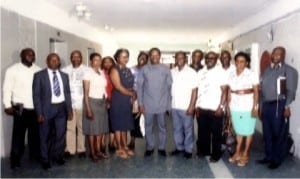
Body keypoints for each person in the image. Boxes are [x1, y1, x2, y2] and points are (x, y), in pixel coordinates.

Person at [258, 46, 298, 169]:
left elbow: (291, 91)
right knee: (267, 134)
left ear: (283, 56)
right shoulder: (267, 70)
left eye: (278, 54)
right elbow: (261, 89)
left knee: (279, 134)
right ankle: (269, 156)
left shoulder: (289, 70)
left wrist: (287, 107)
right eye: (274, 54)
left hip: (279, 105)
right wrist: (260, 107)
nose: (275, 56)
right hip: (266, 106)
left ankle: (277, 159)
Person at [32, 53, 73, 170]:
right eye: (52, 60)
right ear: (47, 61)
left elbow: (67, 93)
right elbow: (36, 96)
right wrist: (39, 113)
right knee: (45, 136)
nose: (55, 62)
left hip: (61, 109)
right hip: (46, 109)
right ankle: (45, 159)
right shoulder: (39, 75)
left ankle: (58, 156)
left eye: (57, 60)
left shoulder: (64, 76)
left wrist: (69, 110)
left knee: (60, 134)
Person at [3, 48, 41, 169]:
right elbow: (7, 88)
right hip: (20, 108)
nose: (31, 56)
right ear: (21, 56)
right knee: (18, 136)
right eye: (28, 54)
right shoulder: (12, 70)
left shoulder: (38, 70)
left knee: (34, 135)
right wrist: (7, 105)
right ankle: (15, 160)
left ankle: (34, 155)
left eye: (33, 54)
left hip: (35, 108)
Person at [137, 47, 172, 157]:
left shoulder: (166, 69)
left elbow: (169, 88)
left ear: (160, 56)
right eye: (152, 55)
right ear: (149, 57)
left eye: (156, 55)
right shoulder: (144, 69)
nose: (154, 57)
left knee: (162, 127)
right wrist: (140, 104)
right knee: (148, 127)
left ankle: (161, 148)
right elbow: (139, 87)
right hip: (148, 105)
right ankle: (149, 147)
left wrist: (168, 105)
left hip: (162, 104)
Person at [227, 52, 259, 167]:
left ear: (247, 63)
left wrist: (255, 107)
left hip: (247, 106)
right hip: (235, 106)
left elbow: (256, 91)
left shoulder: (251, 74)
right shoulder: (231, 74)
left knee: (248, 130)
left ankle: (245, 153)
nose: (239, 63)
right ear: (235, 62)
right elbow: (229, 90)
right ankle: (237, 152)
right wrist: (228, 105)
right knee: (239, 130)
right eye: (237, 61)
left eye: (242, 61)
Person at [196, 51, 227, 162]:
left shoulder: (221, 72)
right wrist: (197, 107)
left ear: (216, 59)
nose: (209, 60)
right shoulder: (200, 72)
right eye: (208, 58)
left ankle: (216, 155)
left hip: (215, 108)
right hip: (202, 107)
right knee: (203, 132)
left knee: (216, 134)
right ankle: (204, 151)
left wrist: (221, 107)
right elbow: (198, 90)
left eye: (212, 58)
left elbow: (224, 91)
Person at [170, 51, 198, 159]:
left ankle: (188, 150)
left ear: (185, 59)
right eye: (177, 58)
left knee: (188, 129)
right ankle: (179, 148)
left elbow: (194, 91)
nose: (179, 60)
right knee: (177, 129)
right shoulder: (172, 72)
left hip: (186, 106)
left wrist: (191, 106)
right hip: (174, 106)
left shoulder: (191, 72)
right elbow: (169, 89)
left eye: (182, 58)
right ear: (175, 59)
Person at [82, 53, 109, 162]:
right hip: (92, 102)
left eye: (99, 60)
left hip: (102, 103)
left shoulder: (101, 72)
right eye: (95, 60)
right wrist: (88, 109)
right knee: (92, 129)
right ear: (91, 61)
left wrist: (106, 99)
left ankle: (99, 151)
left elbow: (103, 89)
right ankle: (92, 153)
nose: (97, 62)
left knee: (100, 129)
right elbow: (86, 92)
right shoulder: (88, 73)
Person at [110, 48, 136, 159]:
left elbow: (131, 84)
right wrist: (131, 94)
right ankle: (119, 148)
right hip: (118, 99)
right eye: (123, 56)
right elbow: (118, 87)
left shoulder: (128, 69)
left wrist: (134, 92)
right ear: (117, 57)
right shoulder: (114, 70)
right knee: (118, 125)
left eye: (127, 56)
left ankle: (125, 146)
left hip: (126, 100)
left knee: (125, 124)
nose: (125, 59)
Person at [62, 50, 87, 158]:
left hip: (82, 103)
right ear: (70, 58)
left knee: (82, 127)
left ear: (81, 58)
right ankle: (70, 149)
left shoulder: (87, 70)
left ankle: (81, 149)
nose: (76, 59)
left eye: (78, 57)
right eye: (73, 56)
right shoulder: (65, 70)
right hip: (69, 104)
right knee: (70, 128)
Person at [128, 51, 149, 150]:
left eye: (145, 58)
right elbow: (127, 83)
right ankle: (132, 140)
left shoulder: (149, 70)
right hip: (134, 98)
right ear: (138, 57)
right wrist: (132, 91)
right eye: (141, 57)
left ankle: (148, 142)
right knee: (134, 119)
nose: (142, 59)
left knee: (147, 121)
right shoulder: (131, 70)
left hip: (147, 98)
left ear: (147, 60)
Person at [101, 56, 117, 153]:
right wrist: (107, 100)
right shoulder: (100, 73)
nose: (107, 64)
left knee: (112, 123)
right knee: (103, 123)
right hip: (102, 100)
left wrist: (111, 100)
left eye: (109, 62)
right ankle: (102, 143)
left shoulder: (115, 72)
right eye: (105, 62)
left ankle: (111, 143)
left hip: (114, 100)